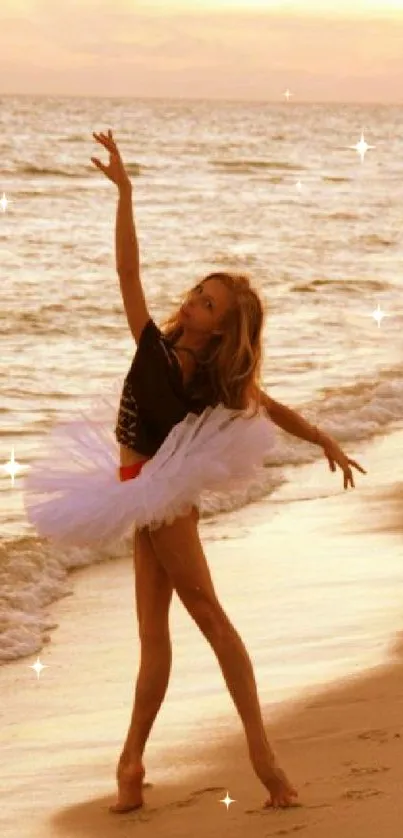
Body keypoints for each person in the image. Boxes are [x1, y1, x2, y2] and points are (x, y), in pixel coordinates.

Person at [23, 130, 367, 815]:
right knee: (156, 638)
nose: (193, 304)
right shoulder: (154, 346)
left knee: (208, 617)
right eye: (199, 294)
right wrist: (125, 194)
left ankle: (264, 760)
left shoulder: (212, 374)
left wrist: (324, 436)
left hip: (163, 494)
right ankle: (130, 767)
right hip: (129, 492)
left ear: (221, 330)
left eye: (208, 305)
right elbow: (128, 274)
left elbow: (268, 405)